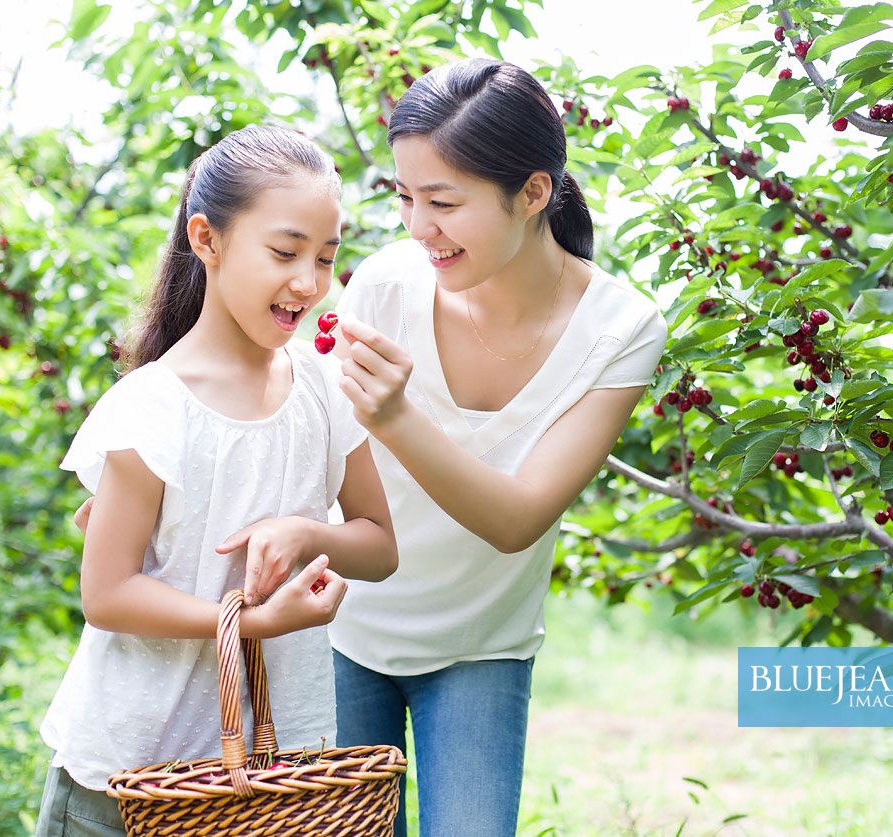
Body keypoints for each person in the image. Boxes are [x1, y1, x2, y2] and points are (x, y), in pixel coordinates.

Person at [218, 59, 669, 836]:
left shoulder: (621, 327)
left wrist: (395, 417)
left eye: (444, 202)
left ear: (533, 194)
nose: (417, 227)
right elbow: (296, 426)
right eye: (404, 197)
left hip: (479, 647)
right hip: (338, 626)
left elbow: (516, 519)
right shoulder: (389, 285)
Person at [37, 124, 397, 836]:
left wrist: (300, 532)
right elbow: (106, 593)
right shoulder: (154, 404)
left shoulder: (322, 390)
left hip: (271, 779)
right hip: (131, 773)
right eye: (285, 251)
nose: (309, 282)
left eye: (325, 257)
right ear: (207, 239)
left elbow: (379, 543)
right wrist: (252, 623)